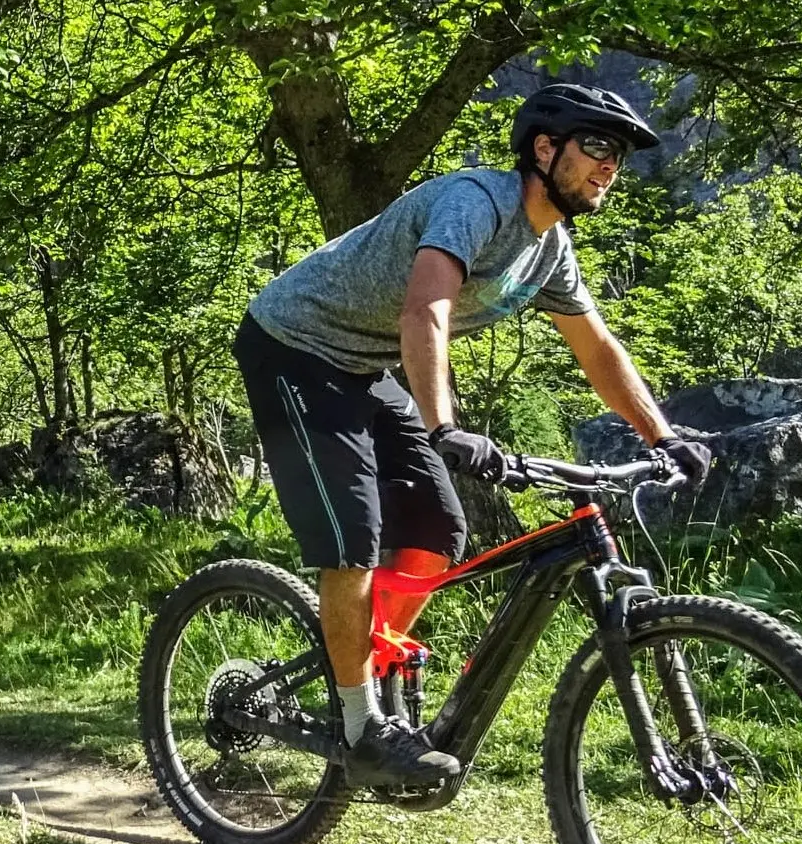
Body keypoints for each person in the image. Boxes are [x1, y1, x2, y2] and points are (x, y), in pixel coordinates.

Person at [232, 83, 712, 788]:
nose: (610, 167)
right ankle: (362, 724)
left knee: (434, 530)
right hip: (294, 345)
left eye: (620, 157)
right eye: (598, 147)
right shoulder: (476, 202)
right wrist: (444, 427)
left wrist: (661, 437)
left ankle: (372, 663)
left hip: (364, 364)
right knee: (353, 538)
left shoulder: (549, 247)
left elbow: (597, 348)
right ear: (544, 149)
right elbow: (424, 309)